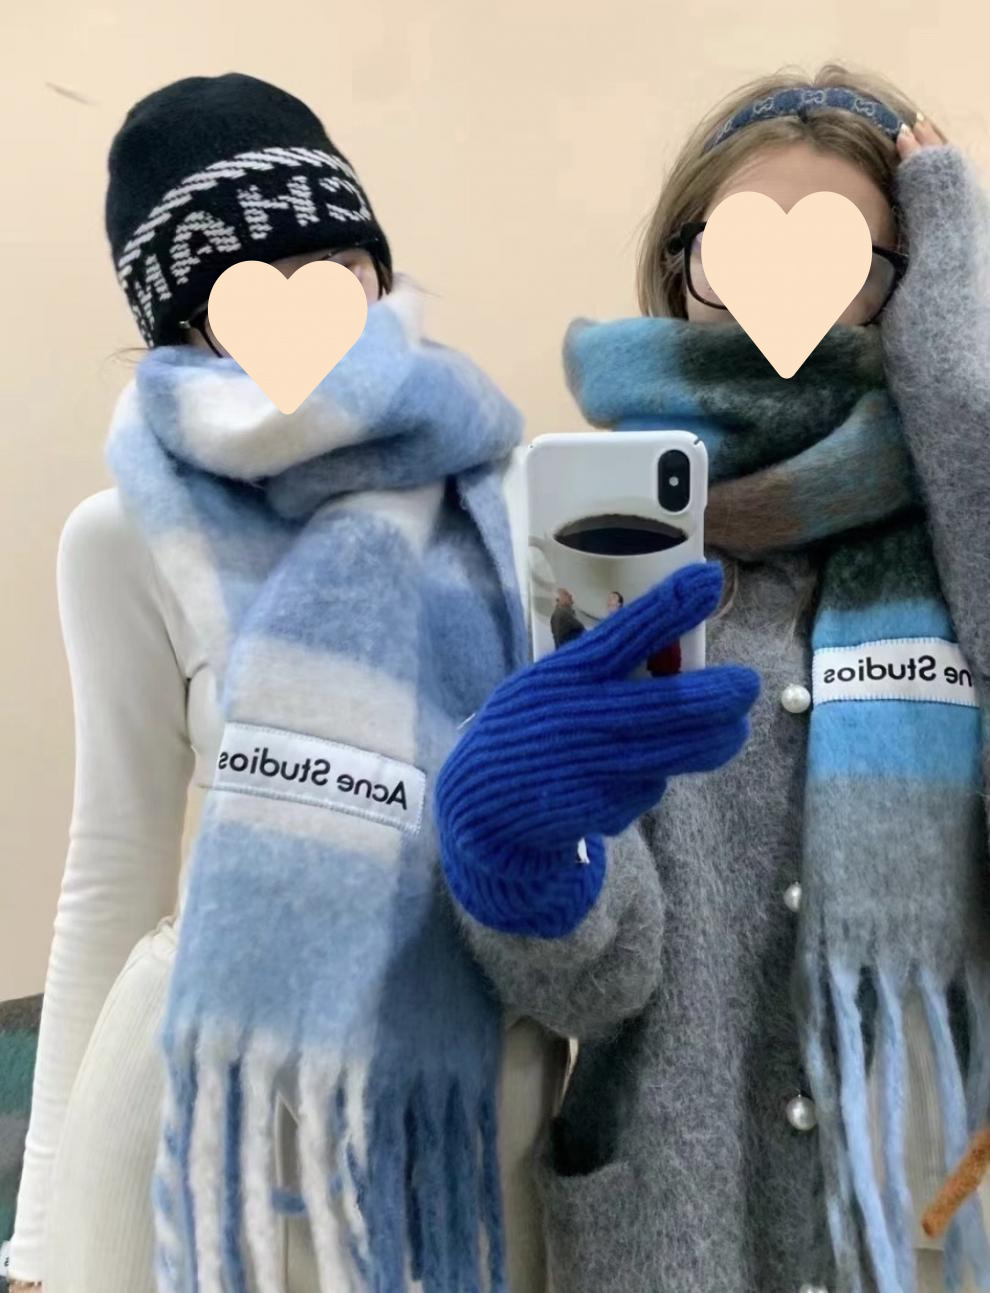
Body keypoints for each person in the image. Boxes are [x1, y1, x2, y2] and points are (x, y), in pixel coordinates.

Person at [435, 65, 990, 1293]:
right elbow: (594, 984)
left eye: (852, 258)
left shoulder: (965, 544)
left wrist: (962, 395)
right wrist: (513, 850)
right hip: (686, 1234)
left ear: (921, 286)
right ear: (681, 265)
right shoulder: (596, 541)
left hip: (937, 1232)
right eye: (739, 253)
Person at [7, 73, 565, 1293]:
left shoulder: (512, 504)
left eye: (336, 270)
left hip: (474, 1113)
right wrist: (37, 1233)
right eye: (241, 295)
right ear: (177, 329)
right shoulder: (126, 535)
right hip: (209, 1124)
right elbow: (112, 868)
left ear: (377, 271)